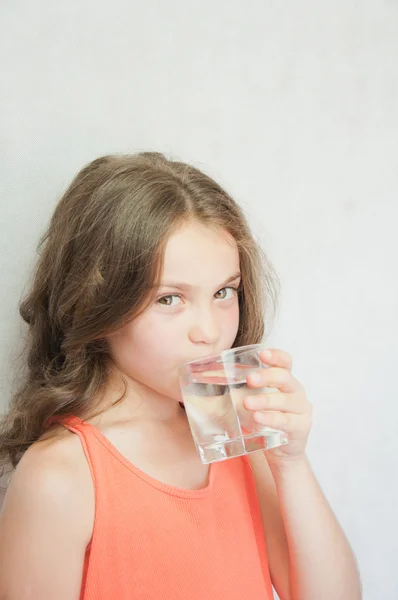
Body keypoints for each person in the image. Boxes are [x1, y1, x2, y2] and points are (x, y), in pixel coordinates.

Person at [0, 152, 362, 599]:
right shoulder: (60, 477)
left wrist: (291, 461)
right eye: (170, 299)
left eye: (224, 292)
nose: (209, 332)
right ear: (98, 302)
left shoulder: (235, 440)